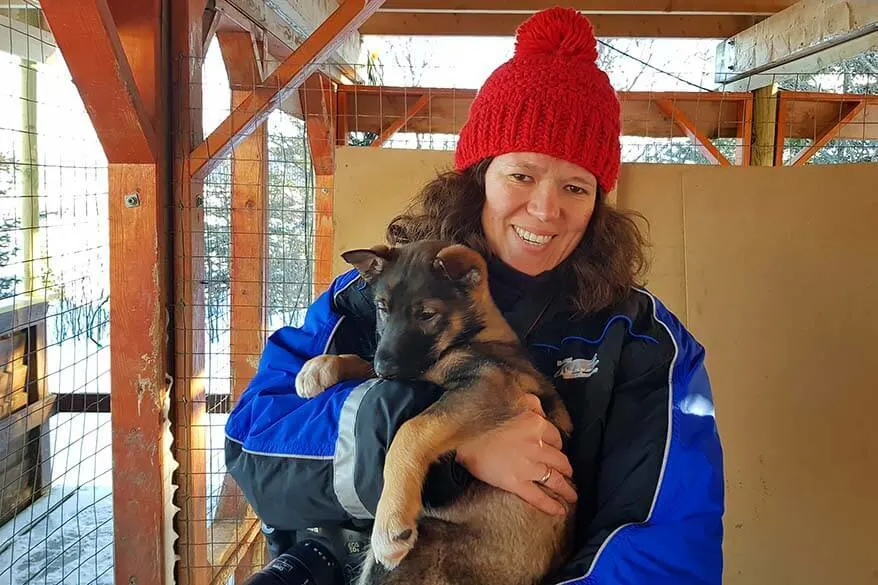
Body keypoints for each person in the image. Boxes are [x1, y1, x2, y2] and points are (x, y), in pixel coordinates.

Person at [225, 7, 724, 585]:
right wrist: (452, 448)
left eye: (575, 186)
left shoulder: (639, 339)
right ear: (480, 173)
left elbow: (668, 542)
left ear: (598, 200)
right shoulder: (370, 297)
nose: (545, 209)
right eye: (521, 174)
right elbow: (255, 448)